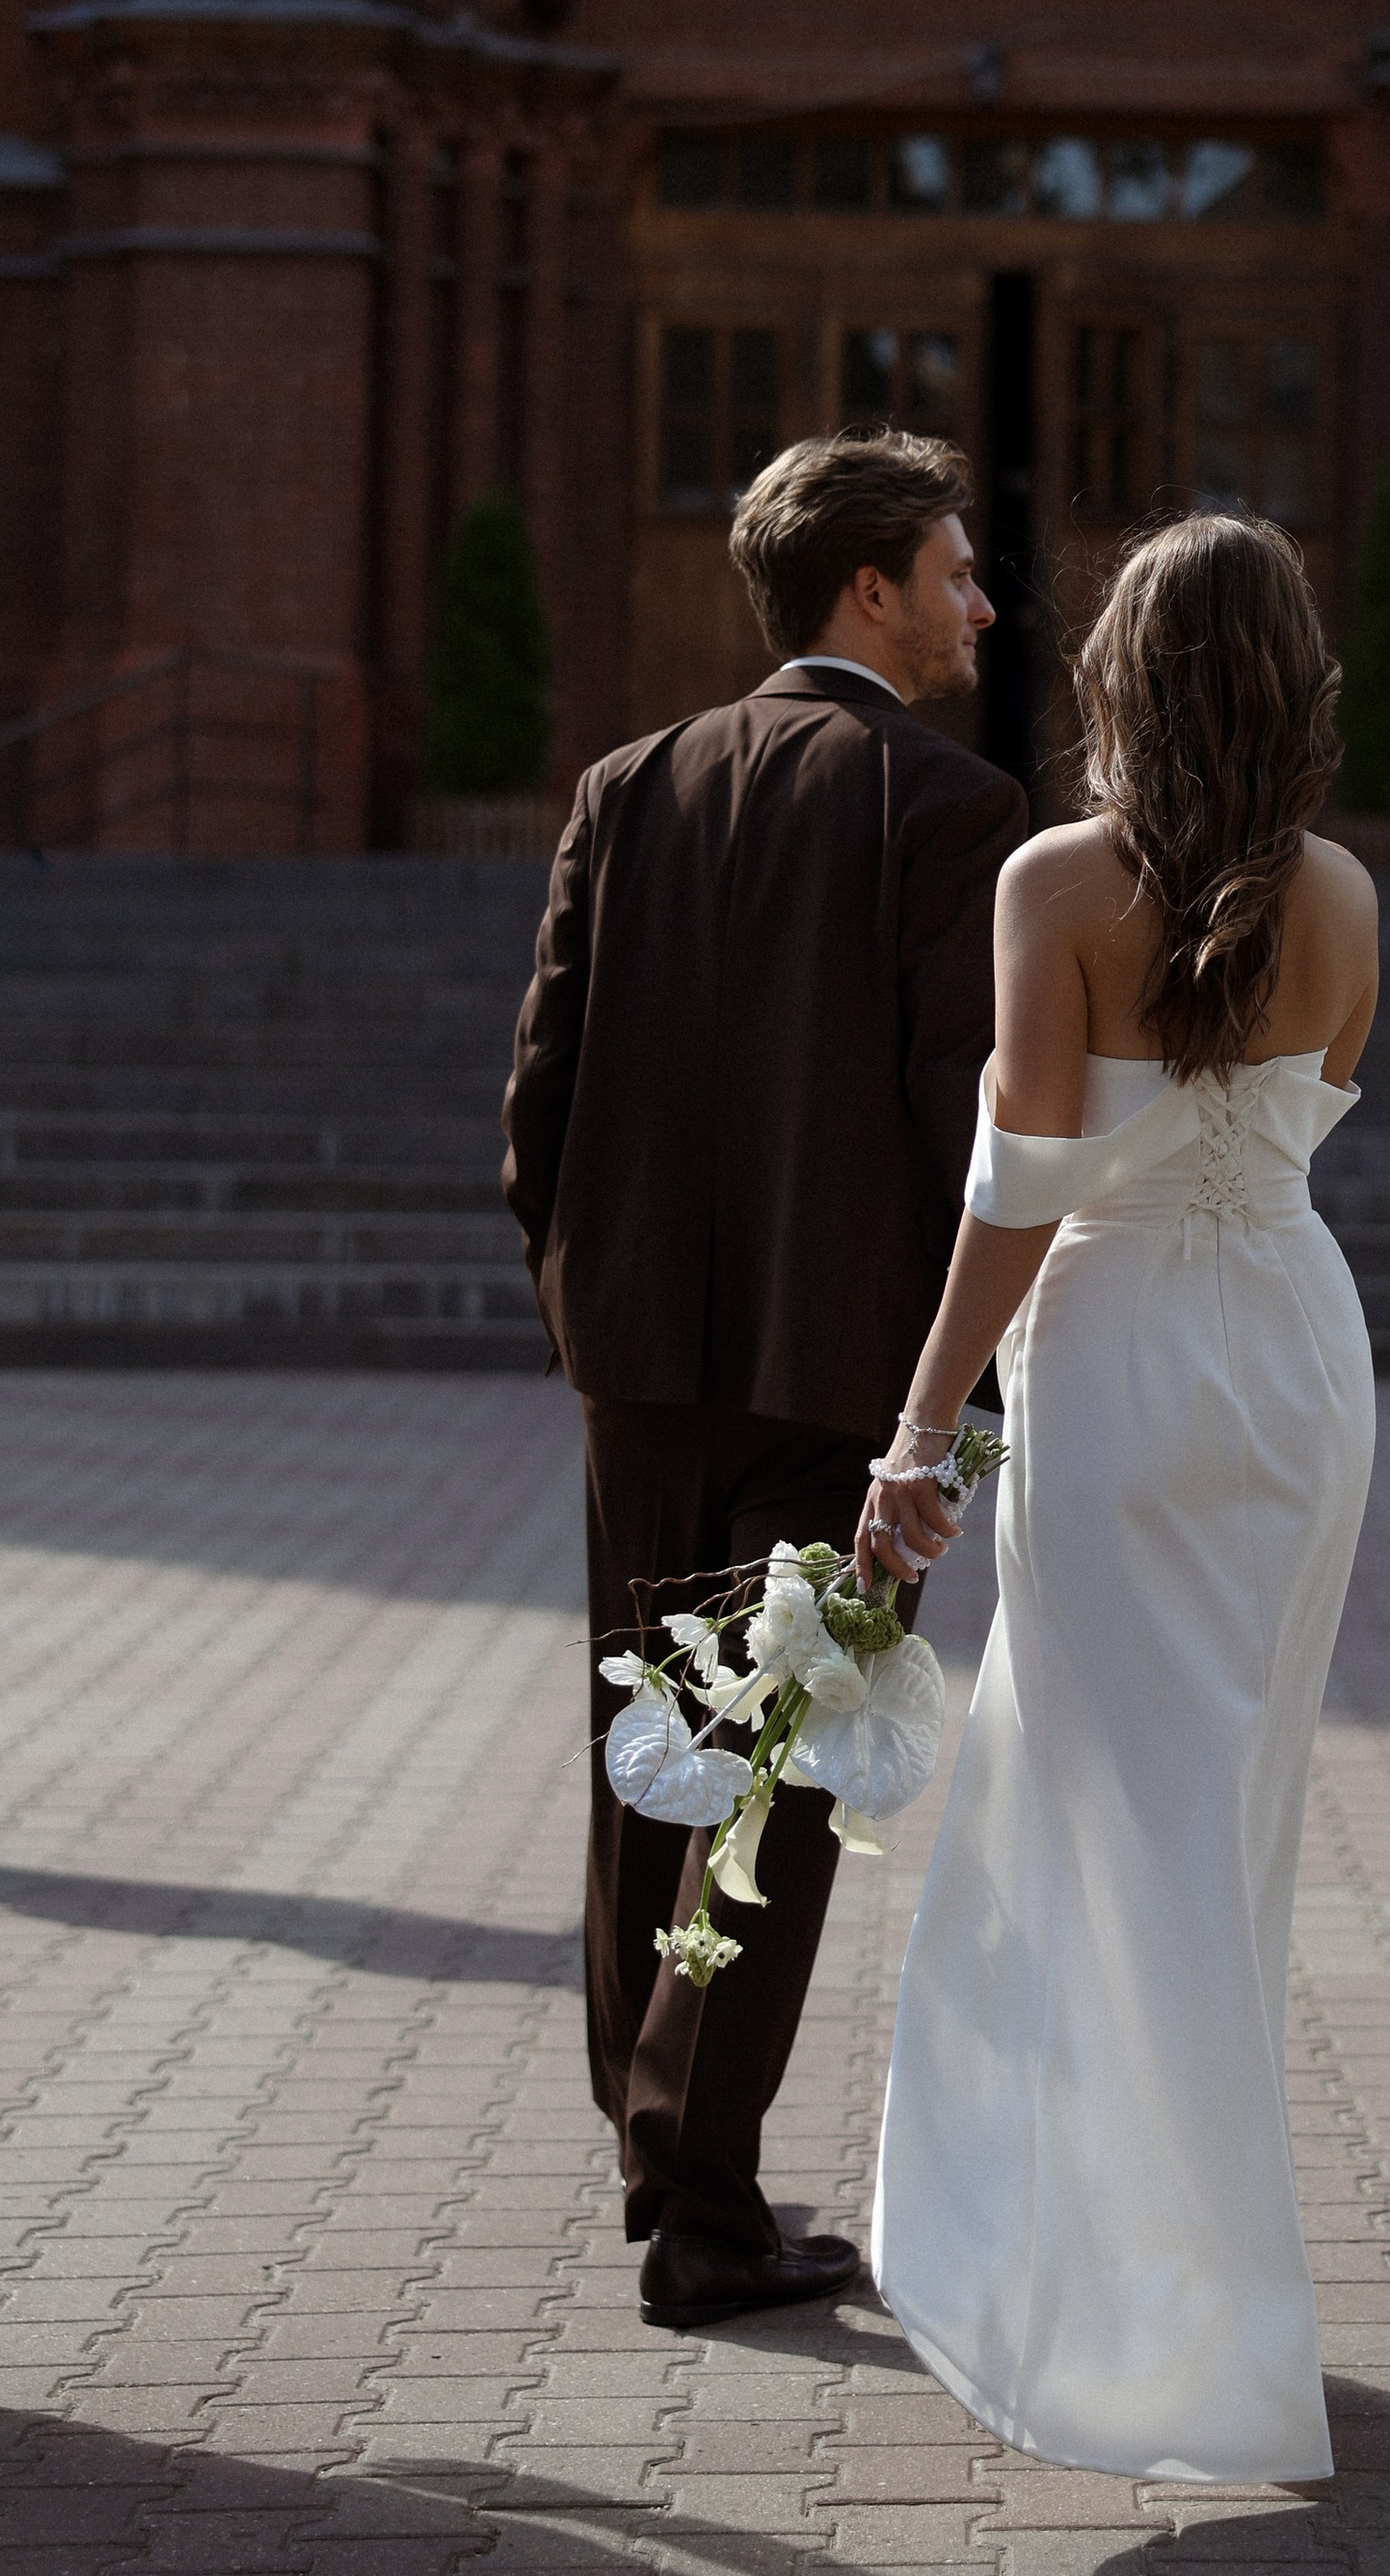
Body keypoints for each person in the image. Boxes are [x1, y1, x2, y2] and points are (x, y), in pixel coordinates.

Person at [862, 510, 1379, 2482]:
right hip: (1295, 1361)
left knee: (1107, 1817)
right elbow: (1307, 1112)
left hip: (1121, 1358)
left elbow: (1022, 1183)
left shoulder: (1057, 882)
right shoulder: (1344, 893)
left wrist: (919, 1431)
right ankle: (1191, 2277)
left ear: (1120, 677)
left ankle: (1168, 2312)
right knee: (1224, 1826)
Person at [501, 428, 1027, 2329]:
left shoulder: (626, 783)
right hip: (837, 1388)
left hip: (636, 1369)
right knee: (771, 1787)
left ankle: (662, 2158)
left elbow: (538, 1097)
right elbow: (963, 1126)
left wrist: (590, 1308)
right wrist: (955, 1397)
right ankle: (706, 2218)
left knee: (650, 1762)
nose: (984, 606)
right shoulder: (949, 806)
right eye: (956, 571)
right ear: (868, 587)